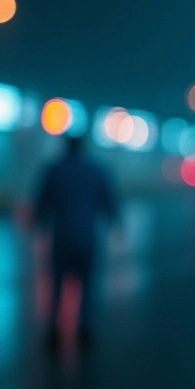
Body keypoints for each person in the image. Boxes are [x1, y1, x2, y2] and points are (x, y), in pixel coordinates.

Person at [33, 134, 120, 347]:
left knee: (57, 283)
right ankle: (85, 327)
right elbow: (108, 201)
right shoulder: (96, 170)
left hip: (61, 236)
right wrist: (115, 222)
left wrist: (40, 224)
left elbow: (42, 202)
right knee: (88, 283)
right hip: (87, 237)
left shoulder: (54, 170)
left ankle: (54, 330)